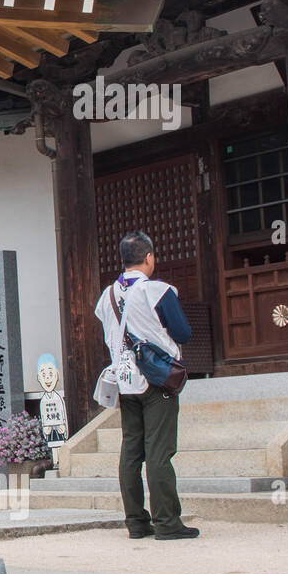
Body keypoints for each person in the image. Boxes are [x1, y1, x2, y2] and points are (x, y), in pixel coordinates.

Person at [94, 231, 197, 541]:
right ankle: (167, 522)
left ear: (123, 260)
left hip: (124, 382)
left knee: (131, 452)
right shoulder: (157, 291)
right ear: (149, 257)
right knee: (159, 452)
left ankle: (137, 522)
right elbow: (182, 332)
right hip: (156, 379)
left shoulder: (107, 296)